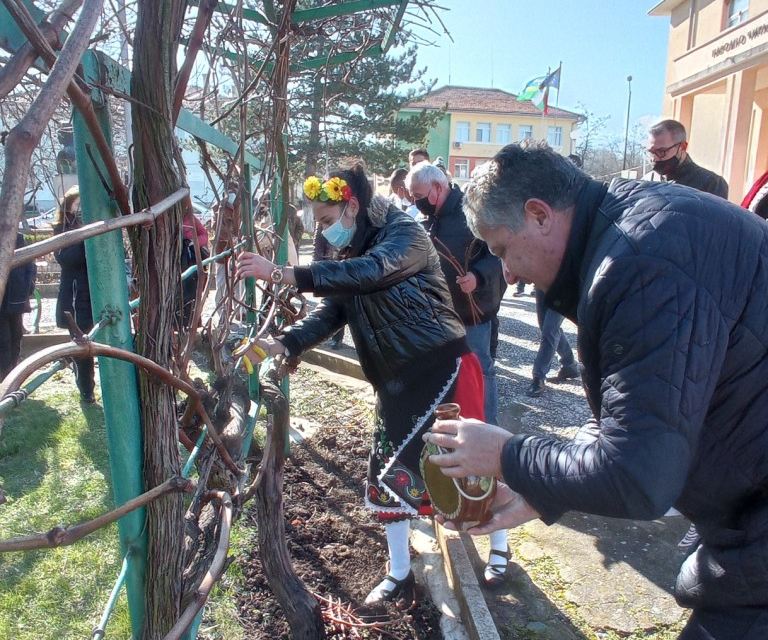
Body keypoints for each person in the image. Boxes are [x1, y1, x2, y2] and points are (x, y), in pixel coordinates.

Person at [424, 142, 768, 640]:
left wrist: (509, 455)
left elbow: (640, 476)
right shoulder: (625, 231)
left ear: (539, 214)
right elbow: (625, 416)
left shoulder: (639, 265)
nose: (509, 274)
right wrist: (542, 489)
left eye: (501, 250)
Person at [236, 163, 490, 604]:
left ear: (351, 205)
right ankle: (399, 573)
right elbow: (335, 310)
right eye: (320, 223)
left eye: (328, 221)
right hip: (393, 379)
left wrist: (283, 274)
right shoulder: (347, 248)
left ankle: (499, 547)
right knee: (388, 474)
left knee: (471, 465)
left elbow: (371, 273)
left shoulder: (404, 235)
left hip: (440, 368)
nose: (325, 232)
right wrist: (286, 343)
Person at [405, 161, 504, 425]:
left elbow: (500, 254)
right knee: (445, 372)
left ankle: (488, 427)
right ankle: (453, 425)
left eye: (418, 195)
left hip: (474, 310)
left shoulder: (472, 212)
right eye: (413, 197)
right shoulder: (425, 220)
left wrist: (478, 276)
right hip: (439, 313)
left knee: (481, 369)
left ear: (437, 187)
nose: (416, 203)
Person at [53, 186, 96, 404]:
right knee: (81, 346)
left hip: (96, 293)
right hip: (76, 296)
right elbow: (65, 259)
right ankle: (86, 389)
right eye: (77, 204)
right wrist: (84, 238)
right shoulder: (61, 229)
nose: (80, 208)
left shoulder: (96, 225)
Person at [643, 119, 729, 199]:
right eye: (651, 152)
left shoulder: (711, 183)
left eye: (661, 151)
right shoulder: (646, 181)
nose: (654, 158)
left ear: (683, 147)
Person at [525, 287, 580, 397]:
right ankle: (569, 364)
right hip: (542, 283)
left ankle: (538, 376)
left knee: (550, 330)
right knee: (548, 328)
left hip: (564, 286)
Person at [0, 234, 36, 378]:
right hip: (4, 298)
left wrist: (28, 285)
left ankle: (13, 374)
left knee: (16, 336)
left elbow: (30, 263)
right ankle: (7, 377)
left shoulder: (17, 237)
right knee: (4, 340)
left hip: (16, 295)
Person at [181, 199, 210, 330]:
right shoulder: (168, 218)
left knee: (192, 291)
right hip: (177, 262)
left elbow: (204, 234)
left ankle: (194, 322)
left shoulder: (191, 219)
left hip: (191, 259)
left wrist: (194, 242)